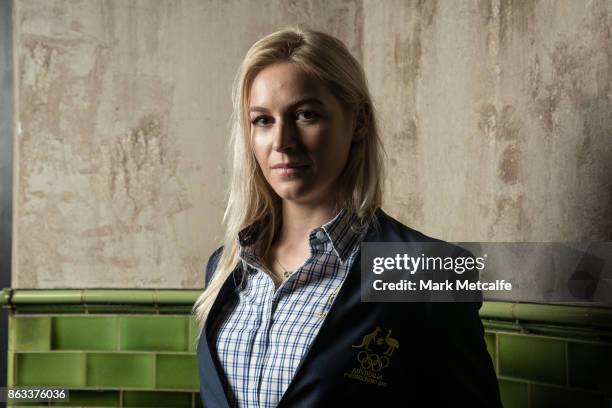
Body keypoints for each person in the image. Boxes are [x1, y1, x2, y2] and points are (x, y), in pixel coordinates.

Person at [192, 26, 502, 408]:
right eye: (263, 120)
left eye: (306, 115)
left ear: (357, 121)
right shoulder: (225, 269)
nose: (282, 142)